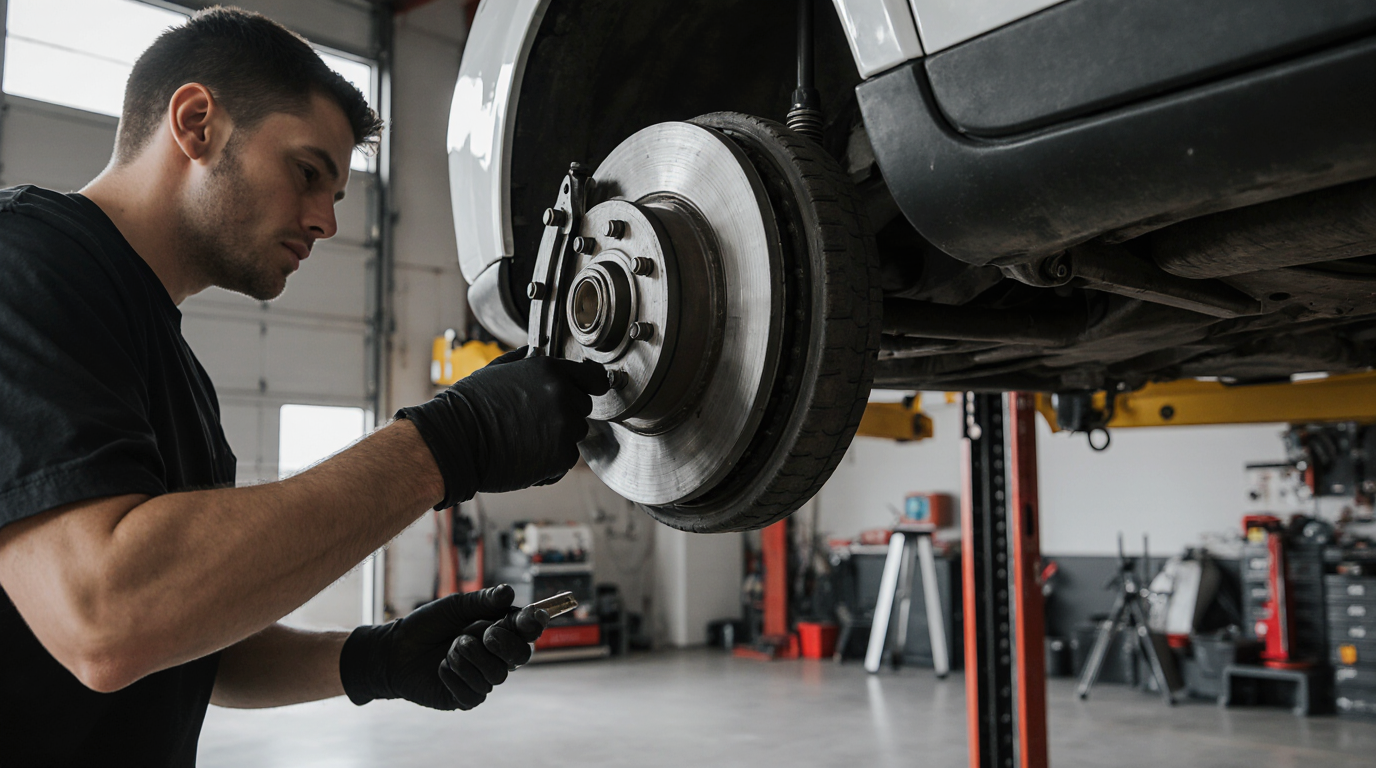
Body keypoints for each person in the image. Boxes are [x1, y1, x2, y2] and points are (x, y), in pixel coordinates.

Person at [0, 7, 607, 766]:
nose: (324, 221)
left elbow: (184, 638)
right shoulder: (23, 267)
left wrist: (375, 658)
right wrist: (444, 444)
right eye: (308, 172)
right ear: (196, 123)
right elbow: (109, 619)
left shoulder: (174, 367)